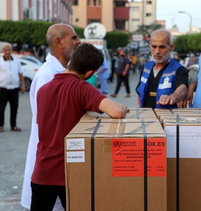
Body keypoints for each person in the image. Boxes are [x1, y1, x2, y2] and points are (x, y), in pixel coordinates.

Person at [30, 43, 129, 211]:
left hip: (42, 171)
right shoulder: (82, 88)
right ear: (89, 73)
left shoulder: (44, 89)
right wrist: (122, 106)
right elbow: (116, 112)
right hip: (69, 173)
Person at [21, 23, 81, 211]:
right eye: (73, 38)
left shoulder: (62, 72)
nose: (78, 41)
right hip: (51, 158)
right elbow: (50, 123)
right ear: (59, 42)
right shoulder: (48, 76)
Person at [136, 29, 188, 109]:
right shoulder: (146, 67)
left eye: (162, 47)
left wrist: (173, 97)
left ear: (171, 47)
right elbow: (140, 90)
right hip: (146, 117)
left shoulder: (179, 70)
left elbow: (183, 88)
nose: (157, 51)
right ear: (150, 45)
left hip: (165, 119)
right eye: (154, 46)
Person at [0, 44, 25, 132]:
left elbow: (20, 73)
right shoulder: (0, 61)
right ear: (3, 51)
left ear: (11, 51)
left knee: (14, 107)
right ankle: (1, 125)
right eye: (5, 50)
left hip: (14, 88)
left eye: (9, 50)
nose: (7, 52)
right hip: (3, 88)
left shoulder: (16, 62)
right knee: (1, 108)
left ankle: (13, 125)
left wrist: (22, 85)